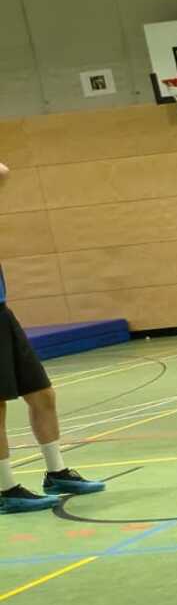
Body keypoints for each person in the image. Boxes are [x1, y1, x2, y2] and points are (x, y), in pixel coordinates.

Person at [0, 161, 105, 513]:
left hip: (2, 313)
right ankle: (6, 490)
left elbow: (2, 171)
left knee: (42, 394)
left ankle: (57, 472)